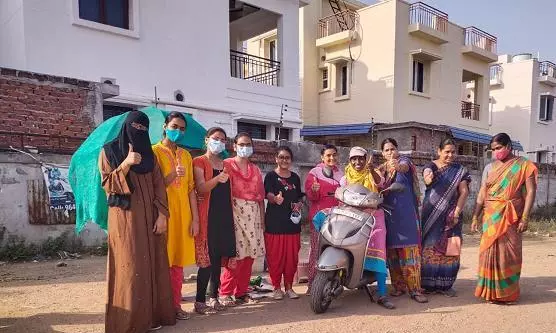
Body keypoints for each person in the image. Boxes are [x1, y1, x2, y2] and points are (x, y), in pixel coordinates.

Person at [99, 110, 175, 332]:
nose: (139, 132)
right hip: (125, 220)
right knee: (129, 267)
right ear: (126, 127)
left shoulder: (150, 156)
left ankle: (152, 319)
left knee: (153, 264)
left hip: (150, 218)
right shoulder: (109, 151)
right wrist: (126, 164)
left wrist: (162, 215)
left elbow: (159, 185)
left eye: (143, 129)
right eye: (136, 127)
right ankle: (128, 323)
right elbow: (107, 185)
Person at [471, 133, 537, 304]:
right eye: (493, 149)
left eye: (498, 148)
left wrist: (525, 217)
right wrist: (474, 216)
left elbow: (530, 192)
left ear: (509, 146)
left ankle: (507, 293)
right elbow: (482, 194)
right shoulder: (489, 168)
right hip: (491, 215)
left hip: (512, 215)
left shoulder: (524, 165)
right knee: (488, 252)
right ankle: (490, 292)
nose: (496, 152)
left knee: (510, 252)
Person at [152, 111, 199, 320]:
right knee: (163, 261)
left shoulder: (187, 156)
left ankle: (175, 305)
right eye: (174, 127)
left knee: (178, 263)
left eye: (181, 129)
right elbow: (151, 187)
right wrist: (172, 175)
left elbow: (191, 190)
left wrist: (195, 219)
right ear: (164, 126)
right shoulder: (153, 152)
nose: (177, 131)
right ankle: (160, 308)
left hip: (183, 217)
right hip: (163, 215)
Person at [340, 146, 393, 309]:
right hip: (352, 217)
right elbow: (341, 196)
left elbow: (381, 183)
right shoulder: (344, 178)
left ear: (365, 159)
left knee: (378, 250)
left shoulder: (372, 172)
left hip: (373, 216)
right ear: (350, 160)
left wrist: (372, 170)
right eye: (354, 159)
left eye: (361, 158)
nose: (358, 162)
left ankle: (382, 292)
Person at [192, 127, 237, 313]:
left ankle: (214, 296)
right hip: (207, 215)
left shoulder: (225, 164)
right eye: (215, 138)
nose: (219, 142)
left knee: (218, 257)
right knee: (206, 260)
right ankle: (199, 300)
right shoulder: (199, 161)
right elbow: (201, 188)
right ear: (206, 140)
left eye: (222, 139)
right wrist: (218, 178)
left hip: (224, 215)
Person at [379, 138, 428, 303]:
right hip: (389, 217)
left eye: (392, 149)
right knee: (393, 254)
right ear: (382, 153)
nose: (390, 152)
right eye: (386, 150)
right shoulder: (382, 170)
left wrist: (397, 166)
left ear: (397, 149)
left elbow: (404, 167)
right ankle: (398, 286)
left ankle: (415, 289)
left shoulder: (404, 162)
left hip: (406, 216)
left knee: (410, 253)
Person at [420, 138, 471, 297]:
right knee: (430, 247)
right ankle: (427, 284)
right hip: (431, 215)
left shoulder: (460, 170)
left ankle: (446, 285)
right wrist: (428, 177)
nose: (450, 155)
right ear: (439, 151)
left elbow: (464, 192)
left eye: (453, 152)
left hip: (451, 215)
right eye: (447, 152)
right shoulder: (431, 166)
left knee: (451, 248)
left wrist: (456, 212)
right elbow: (426, 175)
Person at [220, 132, 266, 304]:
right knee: (235, 256)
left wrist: (262, 221)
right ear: (234, 146)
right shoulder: (227, 165)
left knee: (249, 256)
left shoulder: (256, 170)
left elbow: (260, 198)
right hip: (234, 213)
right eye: (241, 144)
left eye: (248, 145)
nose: (245, 148)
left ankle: (241, 292)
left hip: (253, 215)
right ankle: (225, 292)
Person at [264, 146, 304, 300]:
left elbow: (299, 196)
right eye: (281, 157)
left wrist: (299, 204)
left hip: (292, 225)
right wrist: (275, 198)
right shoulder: (270, 176)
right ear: (276, 159)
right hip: (274, 224)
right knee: (275, 258)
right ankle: (276, 288)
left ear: (291, 160)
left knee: (291, 258)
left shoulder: (295, 177)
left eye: (287, 157)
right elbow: (267, 193)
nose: (284, 160)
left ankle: (289, 287)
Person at [304, 144, 344, 294]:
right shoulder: (314, 173)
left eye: (334, 154)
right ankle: (312, 284)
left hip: (338, 217)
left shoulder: (341, 173)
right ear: (322, 157)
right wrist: (314, 191)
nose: (331, 158)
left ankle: (331, 282)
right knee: (316, 250)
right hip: (319, 218)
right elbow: (310, 196)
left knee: (335, 249)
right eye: (328, 155)